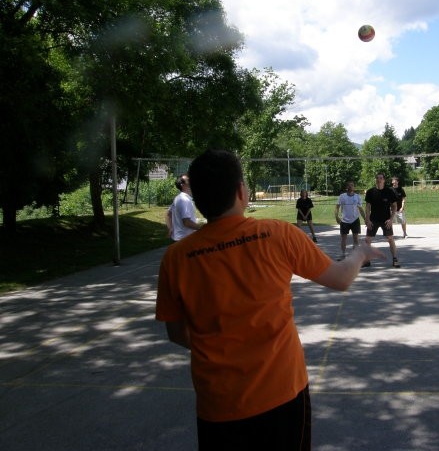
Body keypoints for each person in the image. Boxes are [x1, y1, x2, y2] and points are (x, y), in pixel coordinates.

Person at [155, 149, 384, 451]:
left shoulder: (176, 258)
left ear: (197, 198)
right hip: (282, 392)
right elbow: (340, 278)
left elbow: (176, 333)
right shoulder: (277, 234)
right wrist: (361, 253)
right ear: (241, 192)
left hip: (219, 404)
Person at [364, 172, 400, 268]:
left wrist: (391, 219)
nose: (379, 179)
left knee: (390, 239)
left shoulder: (389, 191)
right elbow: (367, 207)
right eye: (377, 178)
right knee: (367, 240)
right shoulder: (370, 192)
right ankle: (367, 261)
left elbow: (394, 206)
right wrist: (367, 219)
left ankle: (395, 259)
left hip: (386, 220)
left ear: (384, 180)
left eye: (380, 178)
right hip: (373, 220)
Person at [334, 181, 366, 261]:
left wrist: (365, 219)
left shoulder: (357, 197)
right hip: (344, 221)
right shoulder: (342, 196)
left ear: (354, 187)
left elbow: (361, 209)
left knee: (356, 238)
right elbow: (337, 207)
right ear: (347, 187)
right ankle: (343, 255)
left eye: (352, 185)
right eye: (349, 185)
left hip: (355, 220)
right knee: (343, 238)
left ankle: (355, 256)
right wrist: (337, 217)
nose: (351, 187)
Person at [166, 174, 202, 241]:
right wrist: (202, 229)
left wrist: (170, 228)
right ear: (183, 185)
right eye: (189, 181)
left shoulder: (178, 198)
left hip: (179, 238)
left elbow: (168, 213)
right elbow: (187, 222)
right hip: (185, 239)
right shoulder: (184, 200)